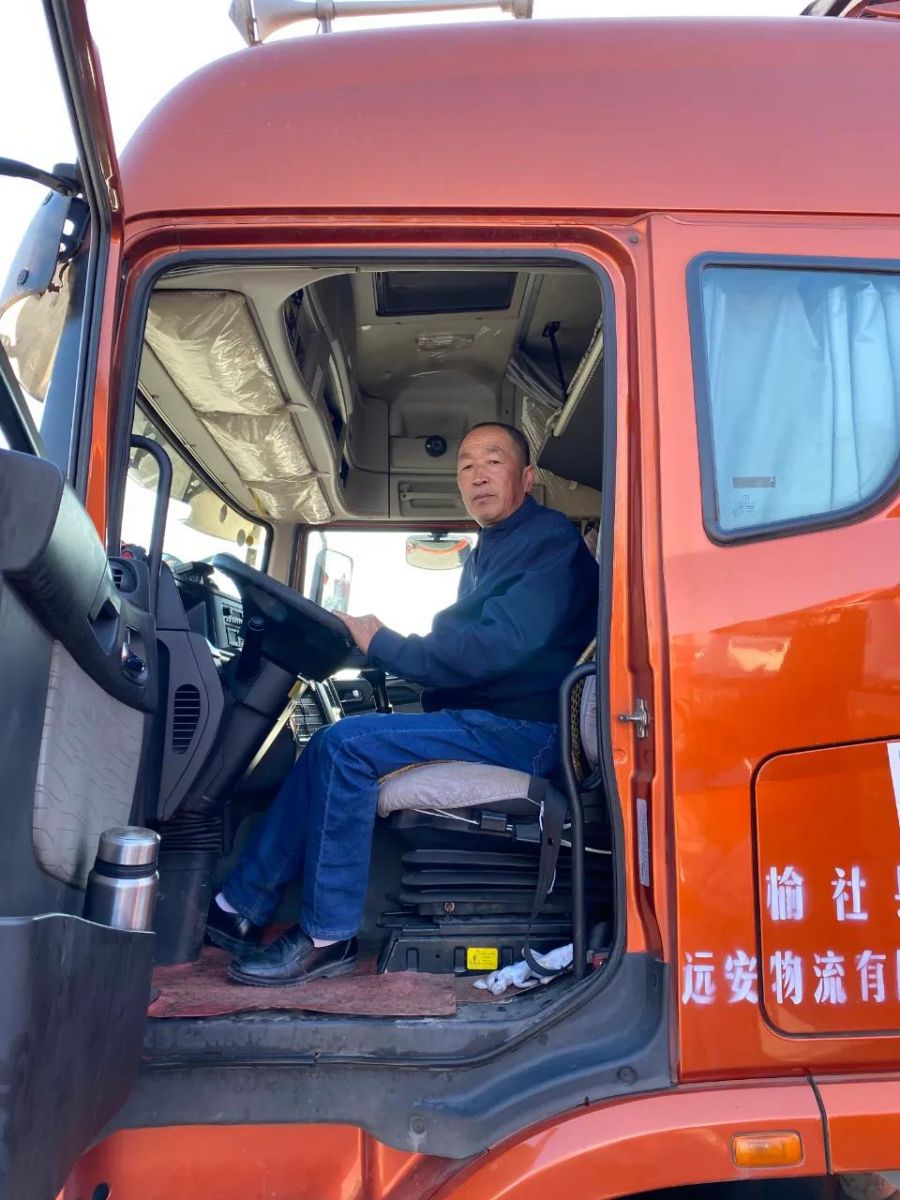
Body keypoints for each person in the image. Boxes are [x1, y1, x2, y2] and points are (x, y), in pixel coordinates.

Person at [206, 422, 599, 986]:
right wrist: (381, 649)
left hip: (528, 731)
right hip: (493, 719)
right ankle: (239, 908)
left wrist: (384, 643)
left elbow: (496, 647)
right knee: (329, 742)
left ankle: (328, 937)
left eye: (493, 461)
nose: (478, 475)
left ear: (527, 476)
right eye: (466, 465)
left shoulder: (548, 541)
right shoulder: (491, 550)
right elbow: (470, 651)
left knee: (346, 746)